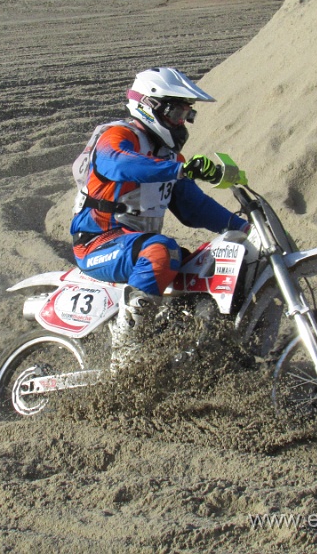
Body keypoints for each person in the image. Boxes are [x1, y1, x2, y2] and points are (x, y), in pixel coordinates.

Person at [70, 67, 249, 370]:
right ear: (150, 105)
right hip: (98, 242)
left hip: (134, 245)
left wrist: (245, 227)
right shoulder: (118, 135)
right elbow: (118, 163)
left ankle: (189, 351)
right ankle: (126, 357)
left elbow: (195, 208)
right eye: (177, 112)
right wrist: (180, 170)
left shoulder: (169, 158)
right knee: (161, 251)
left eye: (186, 115)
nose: (182, 122)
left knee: (210, 265)